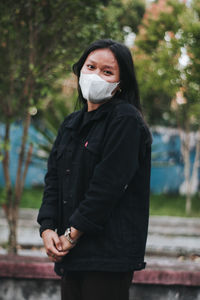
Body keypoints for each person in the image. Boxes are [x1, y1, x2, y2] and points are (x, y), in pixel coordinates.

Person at [37, 39, 152, 300]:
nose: (95, 75)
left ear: (121, 84)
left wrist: (71, 235)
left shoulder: (125, 121)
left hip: (108, 256)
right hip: (72, 254)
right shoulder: (71, 124)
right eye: (91, 67)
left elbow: (107, 187)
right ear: (80, 69)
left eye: (107, 71)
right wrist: (47, 229)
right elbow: (53, 179)